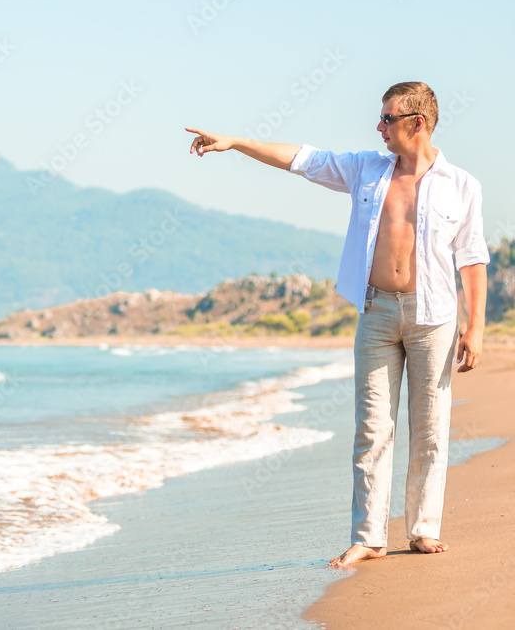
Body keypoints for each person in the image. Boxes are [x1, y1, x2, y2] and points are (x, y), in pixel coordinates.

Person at [185, 81, 490, 567]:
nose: (379, 127)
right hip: (375, 312)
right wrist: (236, 142)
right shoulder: (366, 169)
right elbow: (301, 158)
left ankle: (422, 530)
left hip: (434, 317)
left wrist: (475, 329)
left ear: (418, 123)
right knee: (371, 428)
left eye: (387, 119)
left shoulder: (461, 185)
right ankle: (368, 537)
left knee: (430, 429)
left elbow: (472, 261)